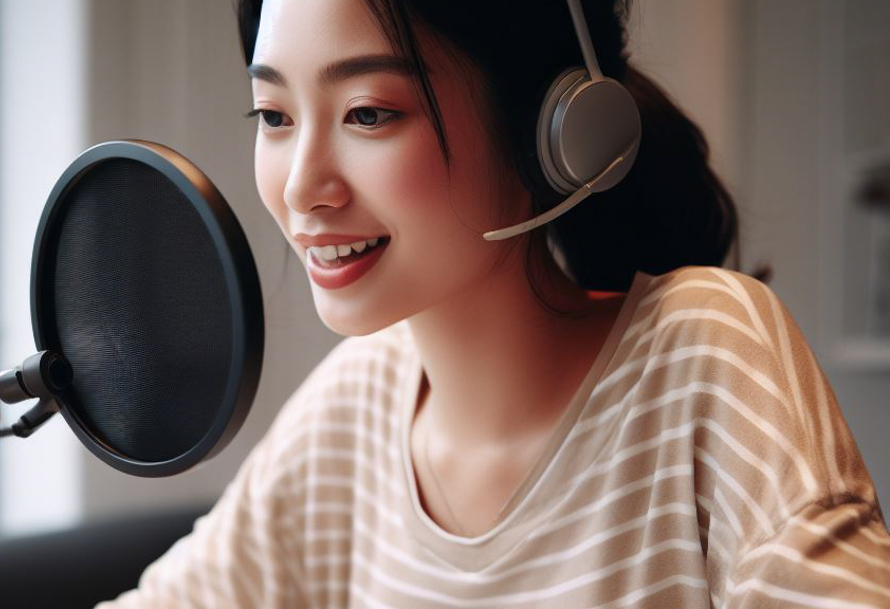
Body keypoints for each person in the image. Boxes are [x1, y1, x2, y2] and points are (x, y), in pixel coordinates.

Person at [96, 0, 890, 606]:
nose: (301, 185)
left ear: (555, 129)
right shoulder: (357, 405)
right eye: (274, 116)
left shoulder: (703, 354)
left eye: (368, 113)